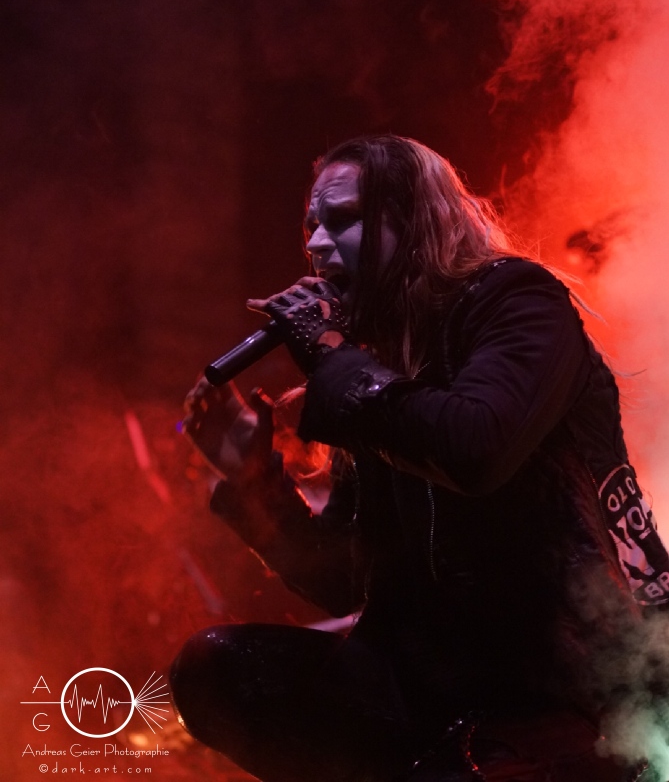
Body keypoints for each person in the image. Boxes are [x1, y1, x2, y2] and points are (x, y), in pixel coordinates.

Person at [171, 135, 668, 782]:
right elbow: (344, 578)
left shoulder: (517, 301)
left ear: (416, 223)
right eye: (311, 224)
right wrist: (253, 478)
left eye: (343, 219)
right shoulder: (377, 364)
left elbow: (475, 451)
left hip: (568, 677)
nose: (315, 243)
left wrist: (335, 359)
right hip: (433, 684)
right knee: (217, 669)